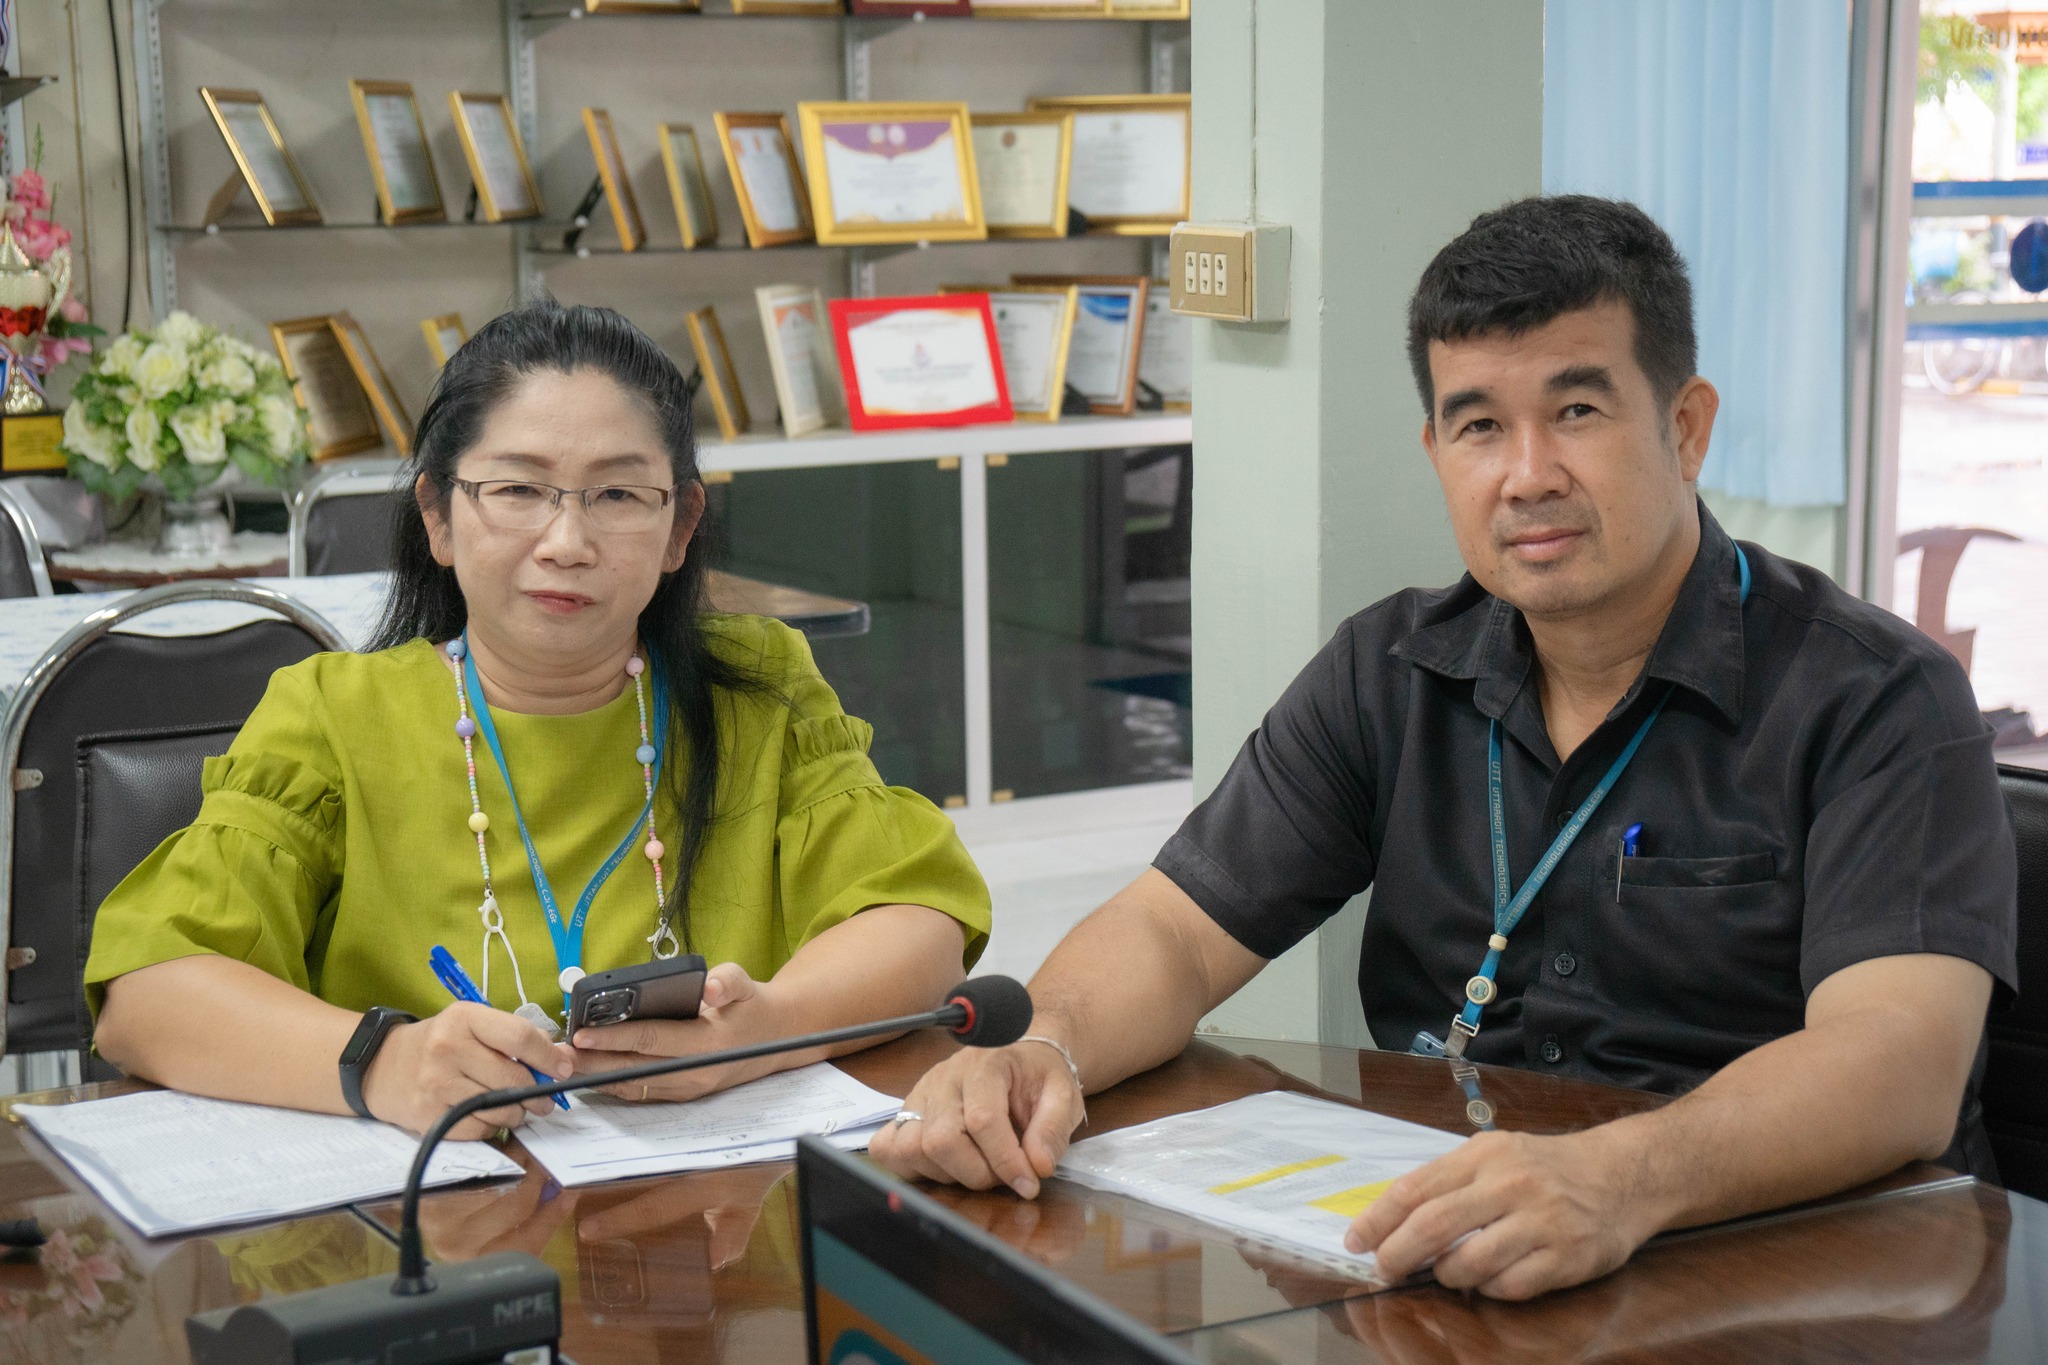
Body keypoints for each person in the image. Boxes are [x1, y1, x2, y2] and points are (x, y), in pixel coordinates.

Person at [871, 195, 2018, 1300]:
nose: (1526, 475)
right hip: (1462, 1255)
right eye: (1479, 426)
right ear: (1435, 450)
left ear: (1683, 425)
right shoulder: (1390, 672)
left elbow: (1899, 1059)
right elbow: (1173, 929)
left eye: (1576, 411)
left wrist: (1624, 1180)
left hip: (1799, 1275)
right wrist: (1049, 1051)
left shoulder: (1873, 699)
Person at [88, 301, 990, 1140]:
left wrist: (768, 1029)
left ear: (680, 529)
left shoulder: (759, 689)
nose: (567, 542)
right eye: (518, 490)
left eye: (618, 494)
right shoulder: (333, 714)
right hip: (433, 1234)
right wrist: (383, 1064)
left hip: (714, 1228)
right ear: (439, 516)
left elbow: (918, 922)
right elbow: (148, 994)